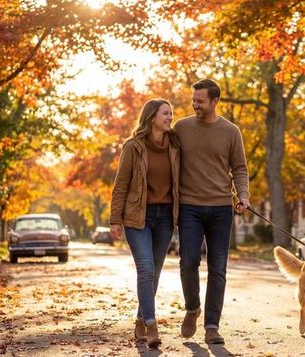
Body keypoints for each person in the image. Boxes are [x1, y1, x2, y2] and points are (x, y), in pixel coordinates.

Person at [174, 78, 250, 345]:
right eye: (193, 100)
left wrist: (243, 196)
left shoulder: (231, 132)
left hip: (221, 208)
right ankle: (192, 308)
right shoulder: (181, 128)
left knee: (218, 268)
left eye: (200, 101)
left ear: (215, 101)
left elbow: (239, 168)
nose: (195, 104)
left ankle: (212, 326)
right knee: (188, 261)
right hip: (189, 207)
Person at [109, 99, 180, 348]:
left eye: (171, 113)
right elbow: (121, 185)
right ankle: (151, 324)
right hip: (138, 216)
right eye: (165, 113)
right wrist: (115, 220)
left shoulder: (175, 146)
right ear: (152, 117)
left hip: (165, 217)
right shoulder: (133, 147)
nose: (170, 117)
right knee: (146, 270)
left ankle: (140, 319)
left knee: (155, 273)